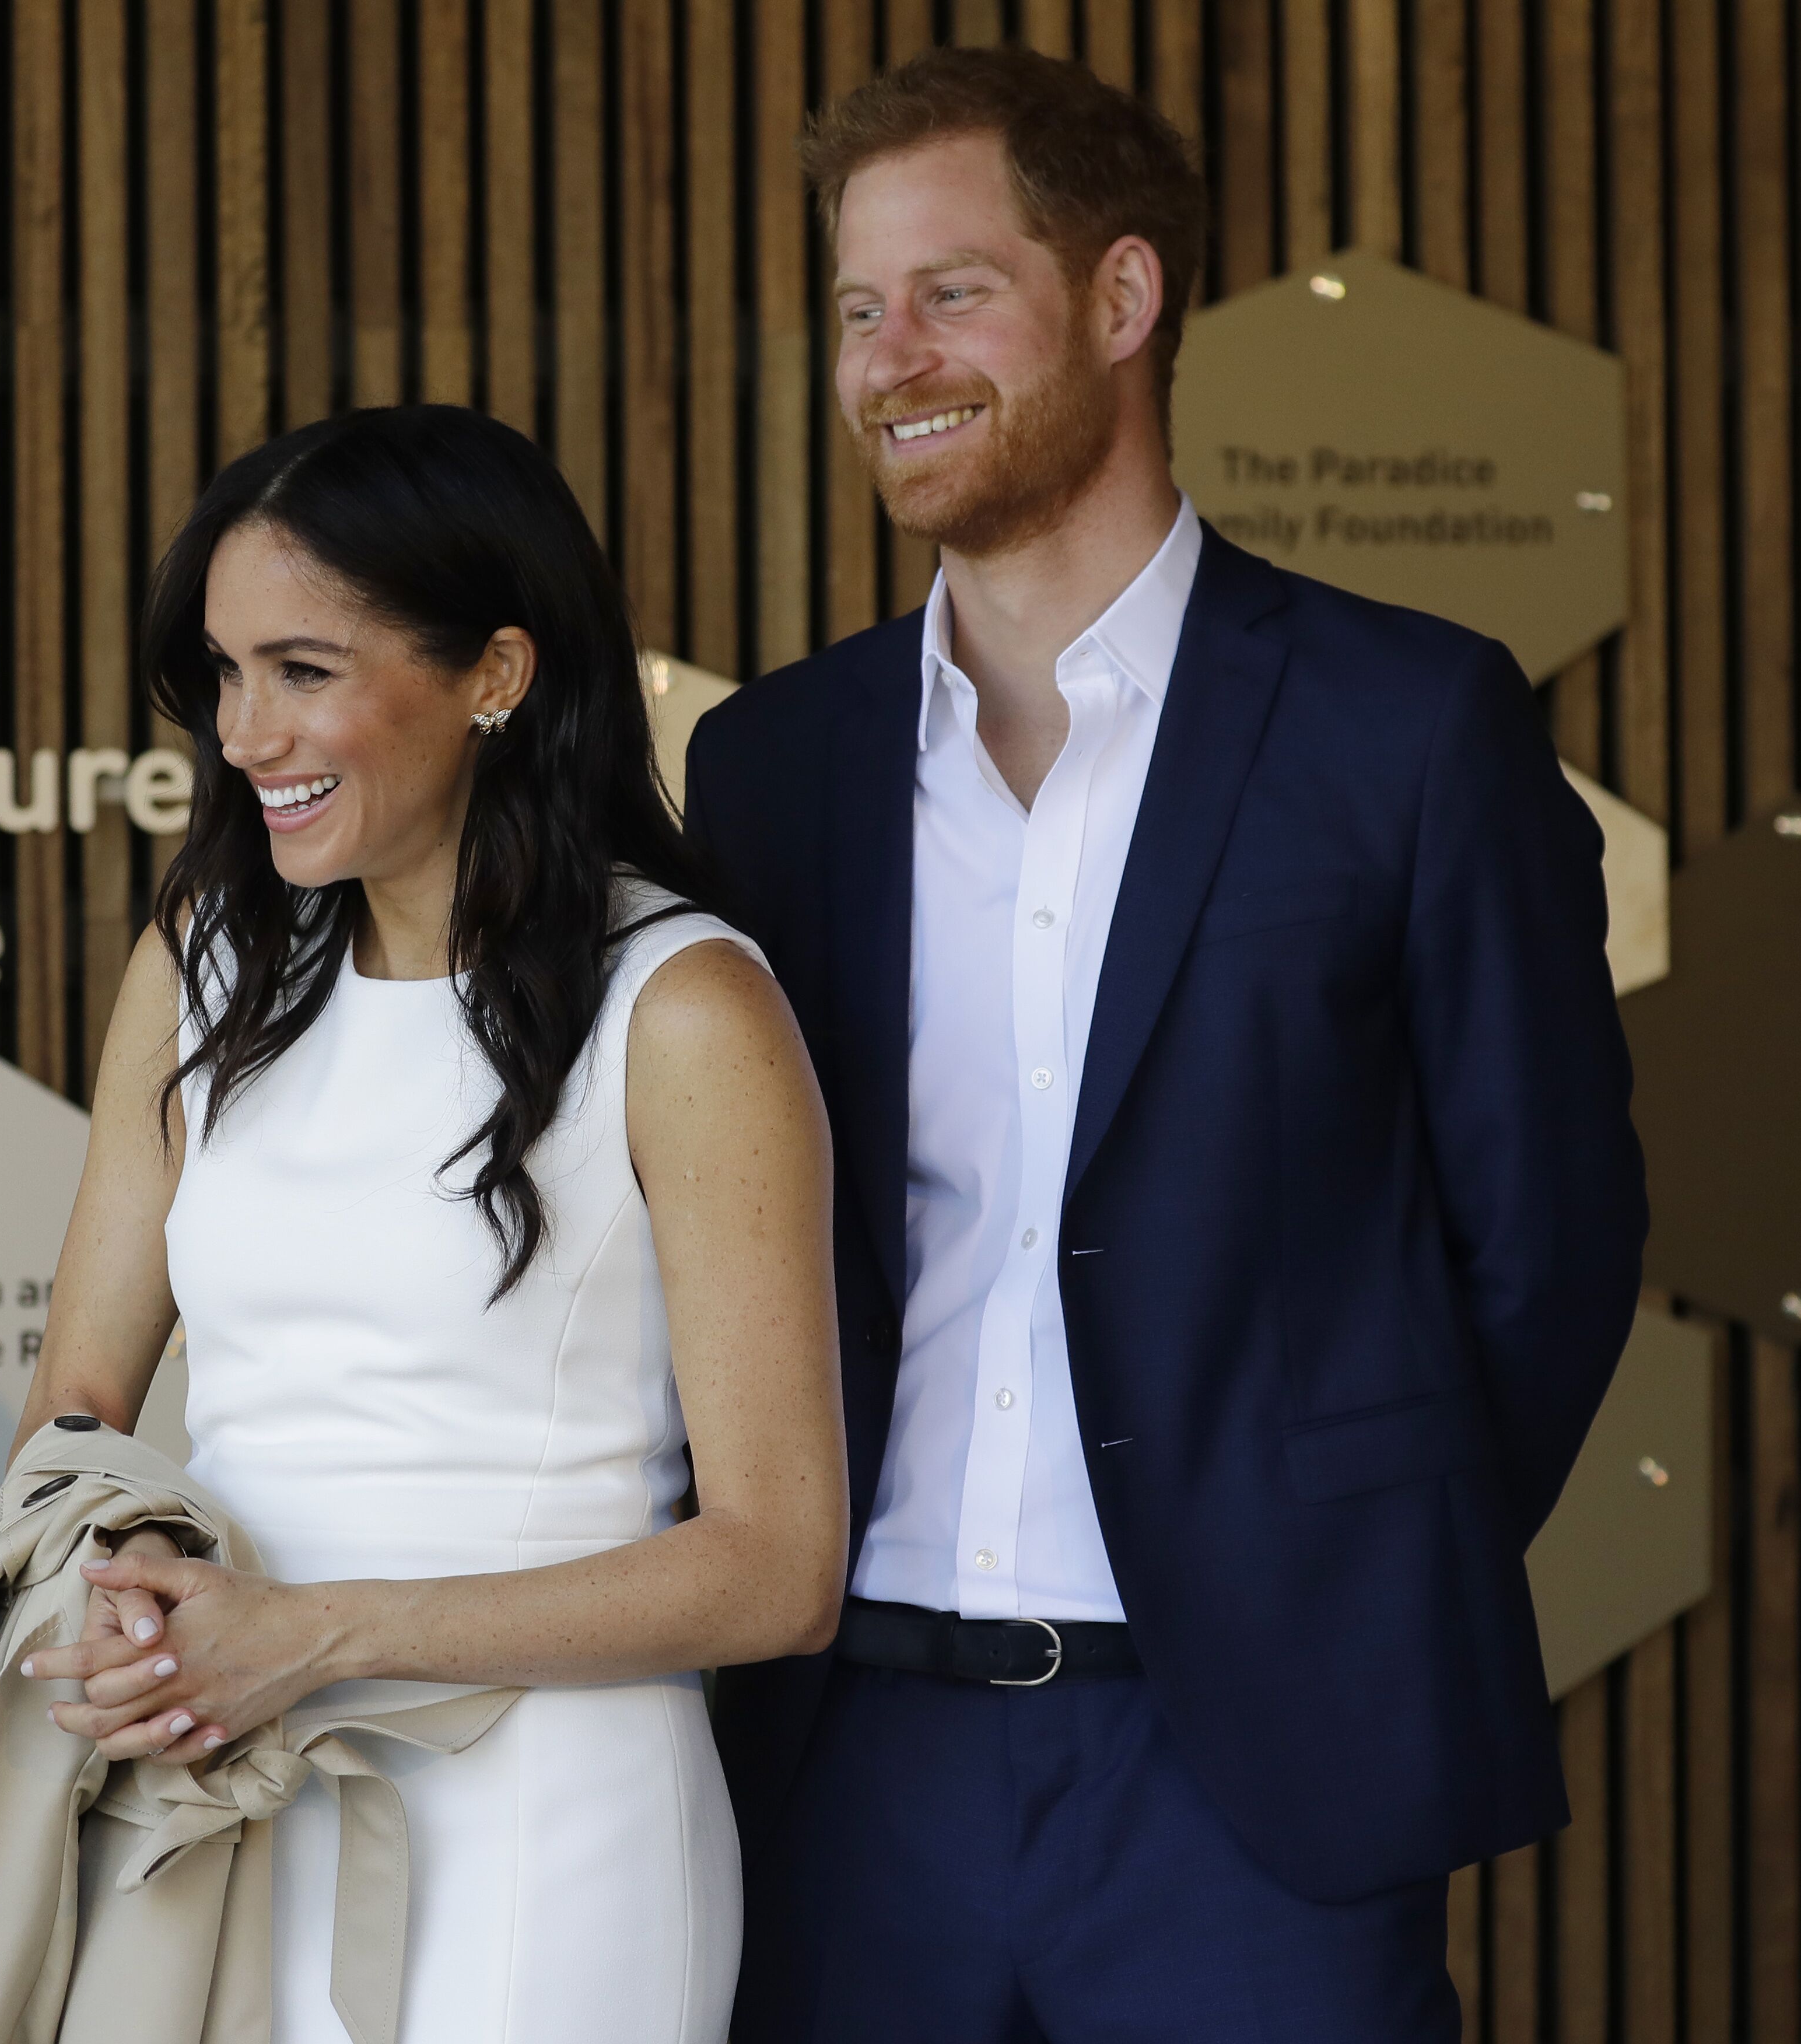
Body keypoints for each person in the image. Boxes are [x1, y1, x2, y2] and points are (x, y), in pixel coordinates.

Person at [684, 46, 1649, 2043]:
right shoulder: (769, 772)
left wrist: (1336, 1582)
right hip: (850, 1767)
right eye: (857, 307)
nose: (888, 358)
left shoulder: (1407, 726)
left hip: (1255, 1783)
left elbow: (1546, 1244)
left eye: (950, 289)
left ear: (1122, 301)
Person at [10, 403, 849, 2043]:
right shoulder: (201, 966)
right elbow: (75, 1410)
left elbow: (776, 1570)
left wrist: (310, 1640)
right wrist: (124, 1578)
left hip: (552, 1845)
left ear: (496, 675)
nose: (247, 734)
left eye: (304, 671)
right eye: (223, 673)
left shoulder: (681, 1008)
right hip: (217, 1808)